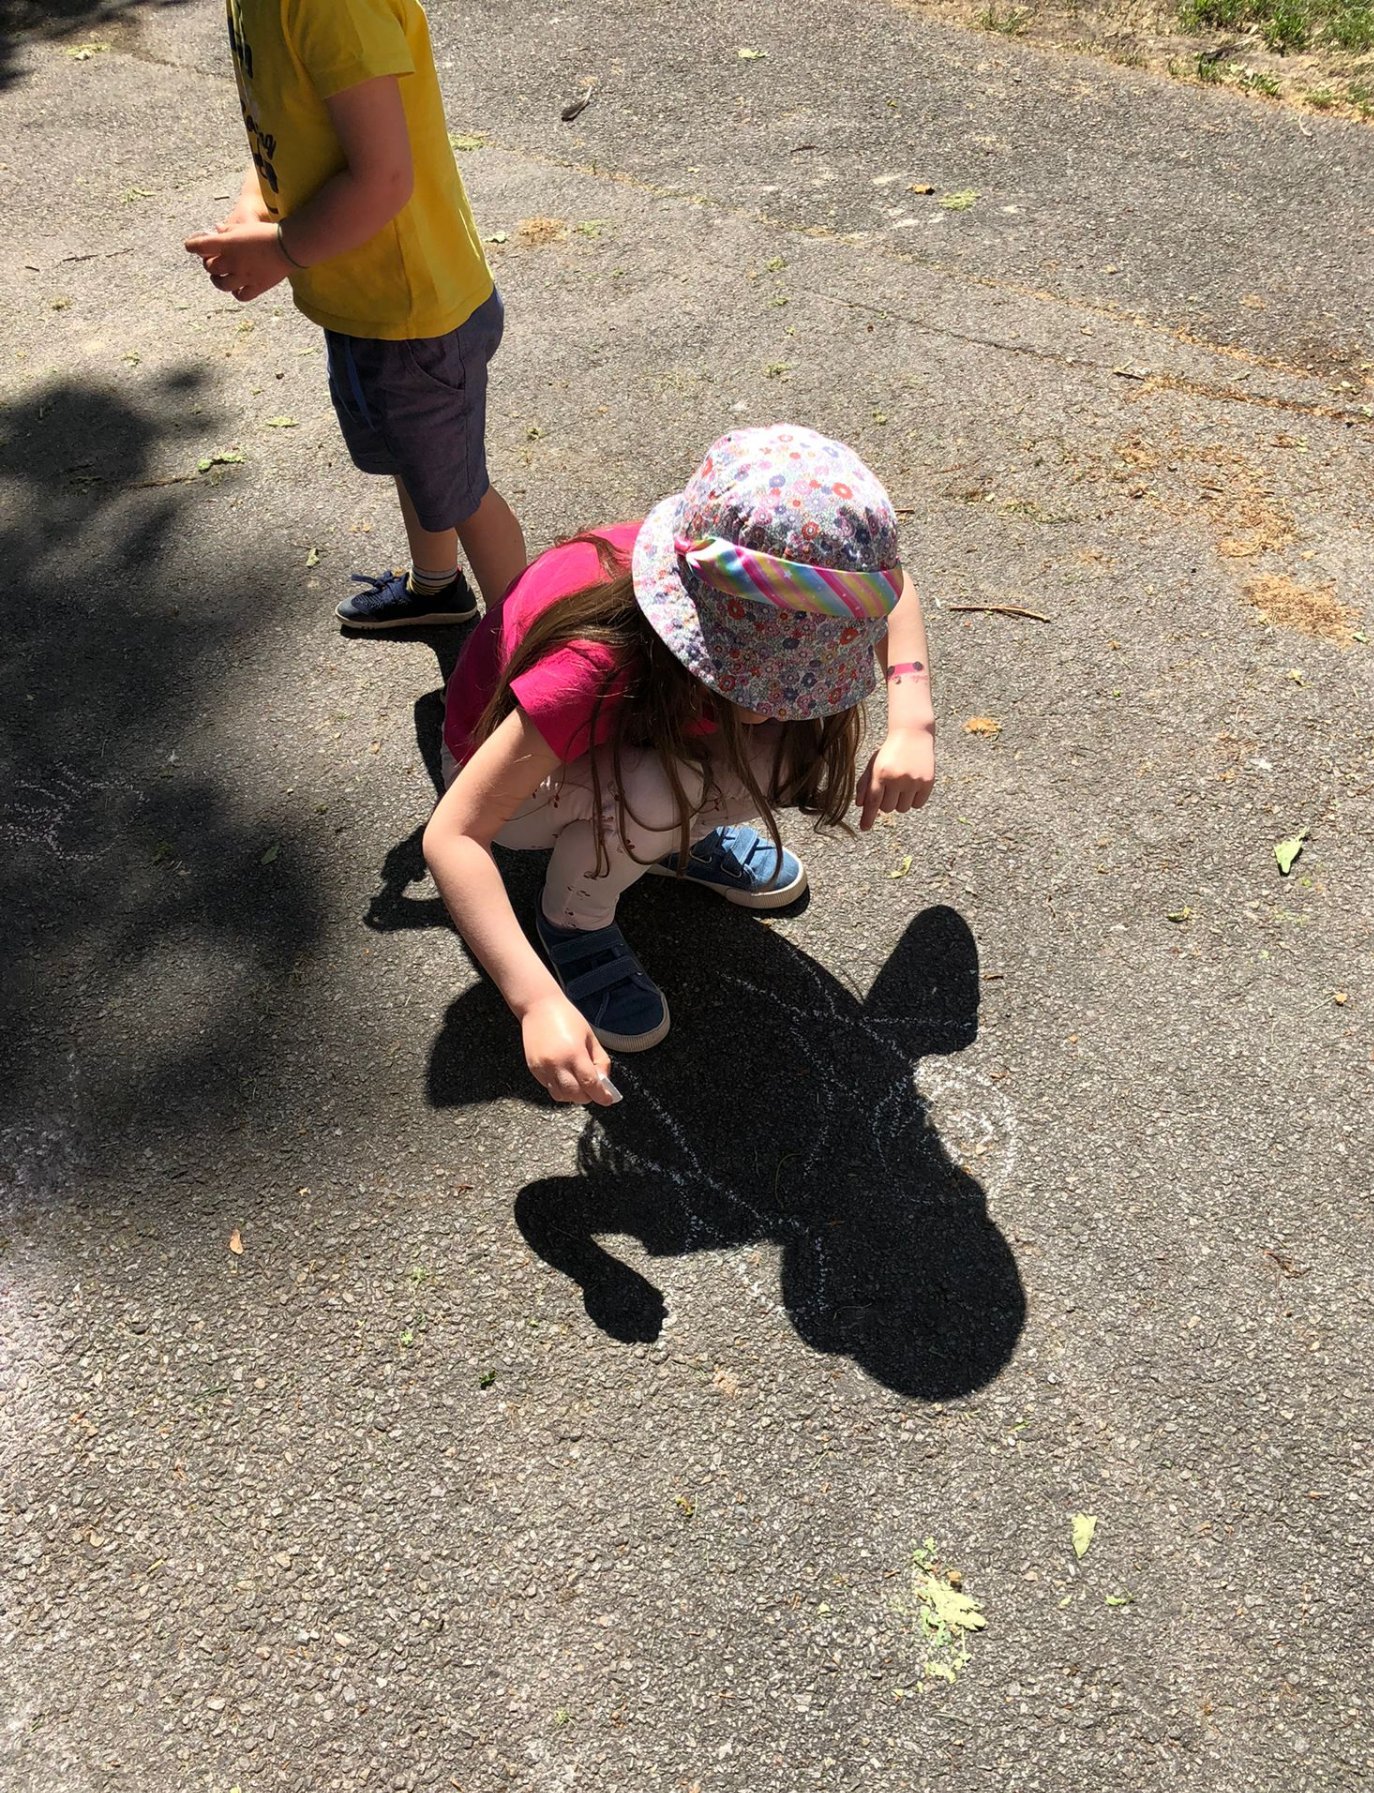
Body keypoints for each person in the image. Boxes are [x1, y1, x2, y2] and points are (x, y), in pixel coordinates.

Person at [422, 424, 937, 1107]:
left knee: (776, 756)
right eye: (760, 682)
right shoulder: (595, 662)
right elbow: (454, 834)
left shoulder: (775, 584)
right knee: (664, 793)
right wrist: (535, 1002)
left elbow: (894, 591)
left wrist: (912, 723)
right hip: (505, 777)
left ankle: (666, 841)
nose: (772, 706)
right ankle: (574, 919)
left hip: (633, 721)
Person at [183, 0, 525, 629]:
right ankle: (437, 587)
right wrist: (254, 205)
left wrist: (282, 249)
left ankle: (534, 656)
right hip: (365, 299)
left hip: (414, 315)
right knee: (416, 459)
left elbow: (384, 179)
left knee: (460, 492)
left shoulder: (333, 8)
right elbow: (289, 128)